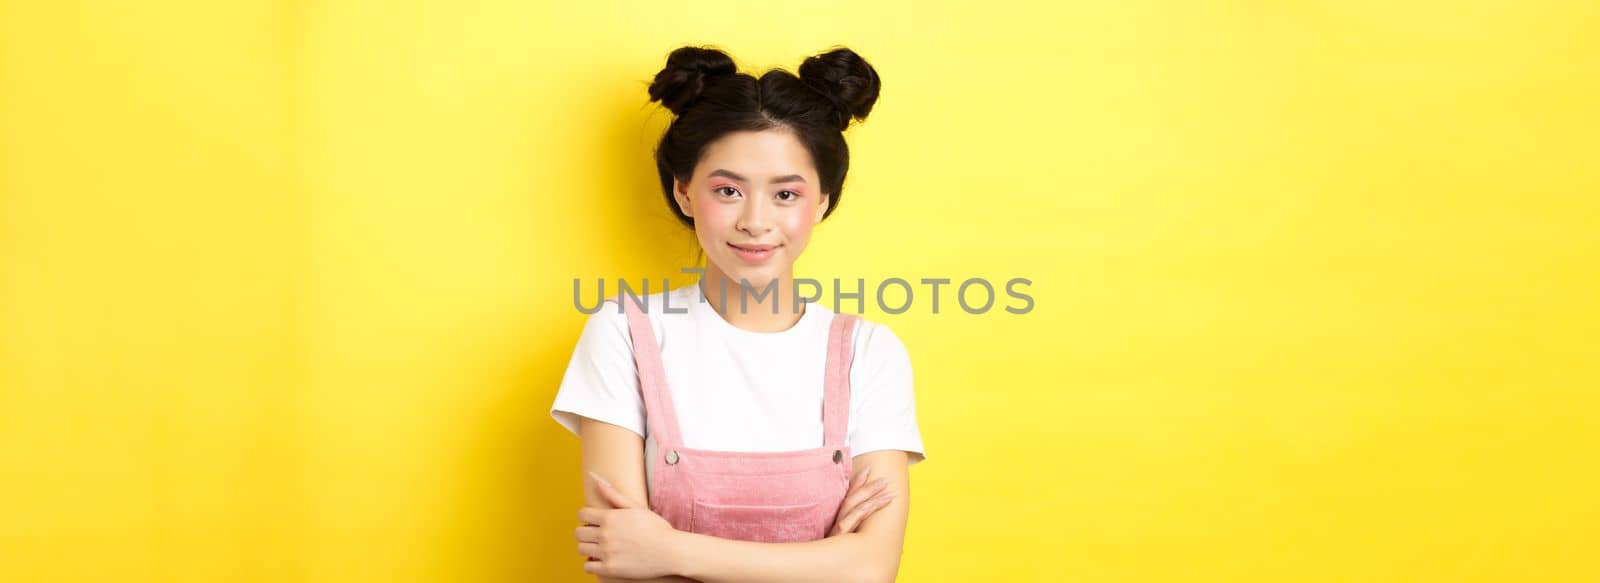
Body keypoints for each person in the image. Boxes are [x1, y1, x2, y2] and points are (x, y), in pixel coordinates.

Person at [549, 44, 926, 582]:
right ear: (683, 192)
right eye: (727, 190)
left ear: (821, 201)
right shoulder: (625, 333)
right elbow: (621, 562)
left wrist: (669, 550)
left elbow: (870, 569)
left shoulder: (867, 351)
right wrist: (816, 563)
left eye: (786, 195)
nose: (755, 220)